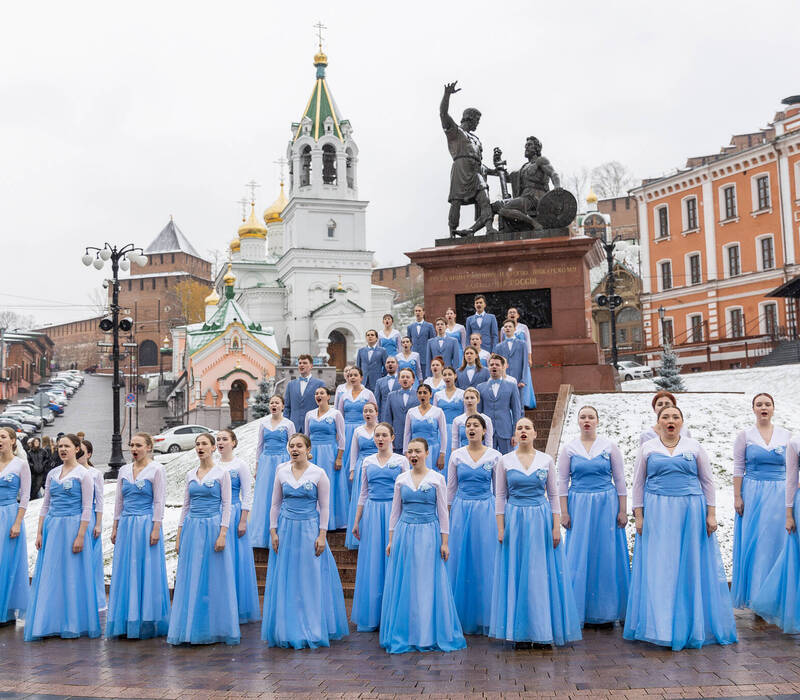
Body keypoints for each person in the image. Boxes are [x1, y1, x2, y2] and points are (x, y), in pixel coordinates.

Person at [624, 406, 737, 650]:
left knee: (689, 565)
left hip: (690, 511)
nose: (670, 420)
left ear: (682, 421)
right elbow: (638, 484)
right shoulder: (648, 448)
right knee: (662, 566)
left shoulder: (694, 447)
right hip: (658, 511)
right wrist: (639, 516)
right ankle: (661, 626)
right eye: (665, 417)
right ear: (659, 422)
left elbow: (707, 481)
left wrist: (712, 514)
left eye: (675, 417)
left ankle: (693, 625)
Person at [490, 417, 581, 647]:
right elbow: (500, 496)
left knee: (540, 573)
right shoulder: (505, 461)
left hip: (540, 519)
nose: (523, 431)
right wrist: (501, 527)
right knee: (518, 572)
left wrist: (555, 526)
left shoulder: (546, 460)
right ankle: (520, 632)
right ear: (514, 435)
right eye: (519, 428)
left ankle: (542, 630)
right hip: (515, 519)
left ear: (534, 434)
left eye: (527, 428)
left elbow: (553, 495)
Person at [262, 434, 348, 648]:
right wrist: (273, 531)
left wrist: (322, 535)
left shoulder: (319, 473)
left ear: (308, 449)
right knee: (288, 578)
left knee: (310, 578)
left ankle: (313, 627)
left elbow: (325, 507)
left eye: (299, 446)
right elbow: (274, 505)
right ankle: (287, 627)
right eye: (291, 446)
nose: (295, 449)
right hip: (287, 529)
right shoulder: (281, 472)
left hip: (310, 530)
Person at [380, 438, 466, 653]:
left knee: (427, 582)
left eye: (417, 451)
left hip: (429, 533)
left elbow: (443, 513)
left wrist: (445, 542)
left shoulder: (437, 478)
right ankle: (406, 631)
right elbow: (394, 512)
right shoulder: (401, 479)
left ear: (427, 453)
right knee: (406, 581)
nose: (413, 455)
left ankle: (427, 632)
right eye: (409, 451)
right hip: (405, 533)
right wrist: (391, 539)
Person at [557, 406, 629, 626]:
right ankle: (581, 609)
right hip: (579, 503)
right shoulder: (569, 449)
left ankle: (607, 611)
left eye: (591, 417)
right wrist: (564, 511)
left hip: (606, 504)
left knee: (605, 554)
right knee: (580, 554)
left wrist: (622, 509)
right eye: (583, 417)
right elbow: (561, 482)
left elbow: (619, 479)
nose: (586, 420)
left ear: (597, 421)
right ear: (578, 421)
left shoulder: (609, 446)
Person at [25, 434, 101, 641]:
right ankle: (51, 620)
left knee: (72, 574)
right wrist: (40, 531)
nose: (62, 450)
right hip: (53, 527)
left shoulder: (84, 475)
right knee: (51, 573)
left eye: (67, 446)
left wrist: (80, 536)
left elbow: (87, 507)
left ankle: (73, 622)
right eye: (60, 446)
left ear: (77, 449)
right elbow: (46, 504)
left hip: (73, 526)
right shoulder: (52, 473)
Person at [168, 433, 239, 645]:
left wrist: (223, 533)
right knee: (191, 575)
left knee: (213, 576)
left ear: (212, 448)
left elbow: (226, 504)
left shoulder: (221, 473)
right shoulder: (191, 474)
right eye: (197, 444)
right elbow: (186, 506)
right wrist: (179, 534)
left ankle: (214, 625)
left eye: (204, 444)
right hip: (192, 527)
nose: (200, 447)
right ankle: (189, 625)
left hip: (212, 526)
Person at [106, 433, 170, 639]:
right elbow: (119, 501)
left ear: (149, 447)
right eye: (132, 445)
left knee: (146, 569)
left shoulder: (157, 470)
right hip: (126, 524)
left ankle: (147, 619)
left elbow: (159, 501)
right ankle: (126, 618)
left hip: (145, 523)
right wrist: (115, 526)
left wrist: (155, 527)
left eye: (139, 445)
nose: (134, 448)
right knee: (126, 569)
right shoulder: (124, 470)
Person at [730, 393, 791, 611]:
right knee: (756, 543)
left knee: (778, 541)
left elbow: (794, 468)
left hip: (780, 493)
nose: (763, 407)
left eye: (767, 404)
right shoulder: (745, 436)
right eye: (759, 404)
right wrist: (738, 496)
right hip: (753, 492)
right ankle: (756, 596)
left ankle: (776, 596)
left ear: (773, 408)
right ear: (753, 409)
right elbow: (738, 467)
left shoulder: (787, 436)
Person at [350, 423, 409, 631]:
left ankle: (394, 613)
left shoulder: (401, 460)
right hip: (373, 514)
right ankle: (374, 614)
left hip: (394, 513)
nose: (380, 439)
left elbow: (406, 490)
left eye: (384, 435)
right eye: (377, 435)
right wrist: (357, 520)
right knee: (374, 562)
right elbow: (363, 493)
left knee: (393, 559)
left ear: (393, 437)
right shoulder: (366, 461)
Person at [446, 416, 501, 635]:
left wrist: (500, 519)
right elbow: (450, 489)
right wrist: (447, 517)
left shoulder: (495, 456)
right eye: (468, 426)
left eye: (475, 426)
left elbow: (499, 491)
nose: (471, 429)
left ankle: (486, 614)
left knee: (484, 559)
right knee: (461, 558)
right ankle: (458, 614)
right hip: (461, 510)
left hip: (486, 510)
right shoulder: (456, 455)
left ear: (484, 430)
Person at [217, 429, 260, 624]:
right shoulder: (214, 465)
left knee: (235, 558)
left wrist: (243, 520)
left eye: (224, 439)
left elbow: (247, 495)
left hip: (235, 513)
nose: (220, 442)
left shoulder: (240, 464)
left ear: (233, 442)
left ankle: (237, 604)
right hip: (215, 513)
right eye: (218, 439)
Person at [251, 395, 295, 548]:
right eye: (271, 403)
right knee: (264, 495)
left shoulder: (288, 424)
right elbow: (259, 446)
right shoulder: (263, 424)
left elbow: (292, 445)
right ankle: (261, 535)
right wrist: (257, 467)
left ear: (282, 406)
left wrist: (292, 464)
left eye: (277, 403)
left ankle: (280, 533)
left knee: (280, 496)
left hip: (282, 460)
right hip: (266, 461)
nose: (274, 405)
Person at [305, 386, 347, 530]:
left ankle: (332, 521)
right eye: (316, 393)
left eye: (322, 393)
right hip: (313, 455)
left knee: (329, 486)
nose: (318, 395)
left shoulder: (336, 414)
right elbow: (306, 437)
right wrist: (307, 454)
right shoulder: (309, 414)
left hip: (330, 453)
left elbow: (342, 437)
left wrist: (339, 457)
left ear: (328, 397)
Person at [0, 427, 30, 624]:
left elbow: (25, 496)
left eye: (2, 437)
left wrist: (17, 522)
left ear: (12, 441)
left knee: (7, 562)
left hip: (10, 515)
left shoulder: (20, 465)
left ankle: (7, 610)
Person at [344, 402, 379, 549]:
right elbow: (354, 452)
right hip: (361, 466)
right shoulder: (358, 431)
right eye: (365, 411)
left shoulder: (381, 429)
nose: (368, 414)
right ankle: (358, 534)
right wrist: (352, 470)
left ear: (376, 412)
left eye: (370, 411)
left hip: (377, 467)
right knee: (361, 498)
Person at [335, 366, 377, 489]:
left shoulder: (368, 394)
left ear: (361, 377)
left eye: (355, 375)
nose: (352, 377)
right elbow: (339, 415)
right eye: (350, 375)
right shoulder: (344, 396)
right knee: (347, 461)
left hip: (364, 429)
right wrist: (338, 433)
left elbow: (375, 413)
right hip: (347, 431)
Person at [78, 439, 105, 613]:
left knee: (91, 559)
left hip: (90, 518)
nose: (79, 455)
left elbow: (100, 501)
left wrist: (99, 524)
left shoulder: (95, 474)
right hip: (73, 516)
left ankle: (94, 598)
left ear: (89, 454)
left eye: (82, 452)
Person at [477, 355, 522, 454]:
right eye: (491, 364)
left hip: (506, 430)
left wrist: (515, 433)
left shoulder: (512, 386)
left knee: (507, 460)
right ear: (488, 367)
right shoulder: (480, 387)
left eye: (497, 365)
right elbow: (478, 414)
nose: (494, 366)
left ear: (503, 367)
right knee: (488, 461)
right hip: (487, 432)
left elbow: (516, 411)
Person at [403, 384, 447, 472]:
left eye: (425, 392)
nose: (422, 395)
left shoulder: (438, 411)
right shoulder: (411, 412)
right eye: (420, 393)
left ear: (430, 394)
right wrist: (406, 452)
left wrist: (442, 454)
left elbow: (443, 433)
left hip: (432, 450)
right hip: (415, 451)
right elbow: (407, 433)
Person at [433, 367, 464, 478]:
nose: (447, 377)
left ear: (455, 376)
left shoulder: (462, 394)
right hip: (442, 432)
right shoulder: (438, 395)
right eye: (444, 375)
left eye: (449, 374)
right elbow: (434, 415)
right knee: (443, 460)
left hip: (457, 431)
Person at [284, 354, 324, 433]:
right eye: (300, 363)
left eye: (305, 363)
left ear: (311, 366)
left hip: (312, 426)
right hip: (294, 427)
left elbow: (322, 407)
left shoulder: (319, 384)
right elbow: (287, 407)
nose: (302, 365)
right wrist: (285, 424)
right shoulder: (290, 384)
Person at [382, 369, 420, 454]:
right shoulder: (391, 396)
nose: (405, 379)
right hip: (397, 437)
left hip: (414, 437)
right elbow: (388, 419)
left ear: (413, 380)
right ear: (398, 380)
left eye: (407, 377)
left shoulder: (418, 395)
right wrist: (389, 439)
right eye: (402, 377)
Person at [493, 319, 529, 407]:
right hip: (503, 379)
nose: (508, 328)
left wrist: (523, 380)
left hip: (518, 379)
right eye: (505, 327)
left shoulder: (522, 344)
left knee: (519, 404)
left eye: (510, 326)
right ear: (503, 330)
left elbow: (525, 363)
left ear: (514, 329)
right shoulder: (498, 346)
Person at [408, 305, 436, 378]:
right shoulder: (410, 327)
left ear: (423, 312)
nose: (417, 312)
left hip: (425, 356)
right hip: (413, 357)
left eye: (419, 311)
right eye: (416, 311)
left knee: (426, 377)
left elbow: (433, 342)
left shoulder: (429, 326)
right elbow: (408, 342)